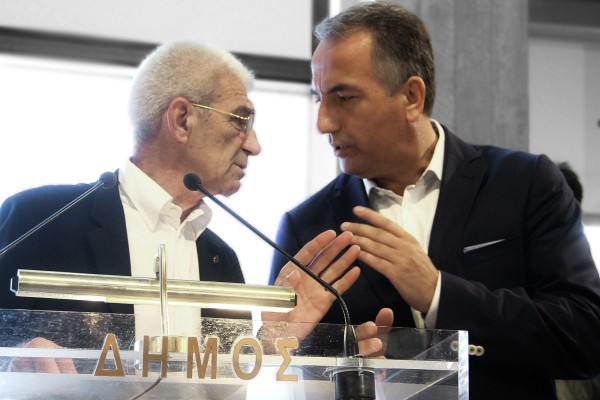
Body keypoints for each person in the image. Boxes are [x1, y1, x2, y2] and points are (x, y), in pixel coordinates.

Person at [268, 3, 600, 399]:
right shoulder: (307, 227)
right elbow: (285, 373)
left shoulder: (524, 183)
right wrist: (313, 356)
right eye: (318, 98)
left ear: (411, 97)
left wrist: (439, 293)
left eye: (344, 97)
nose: (324, 122)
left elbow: (586, 337)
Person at [0, 41, 365, 362]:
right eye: (241, 119)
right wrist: (13, 364)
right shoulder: (38, 220)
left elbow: (225, 390)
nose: (254, 145)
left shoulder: (222, 261)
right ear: (181, 120)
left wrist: (268, 345)